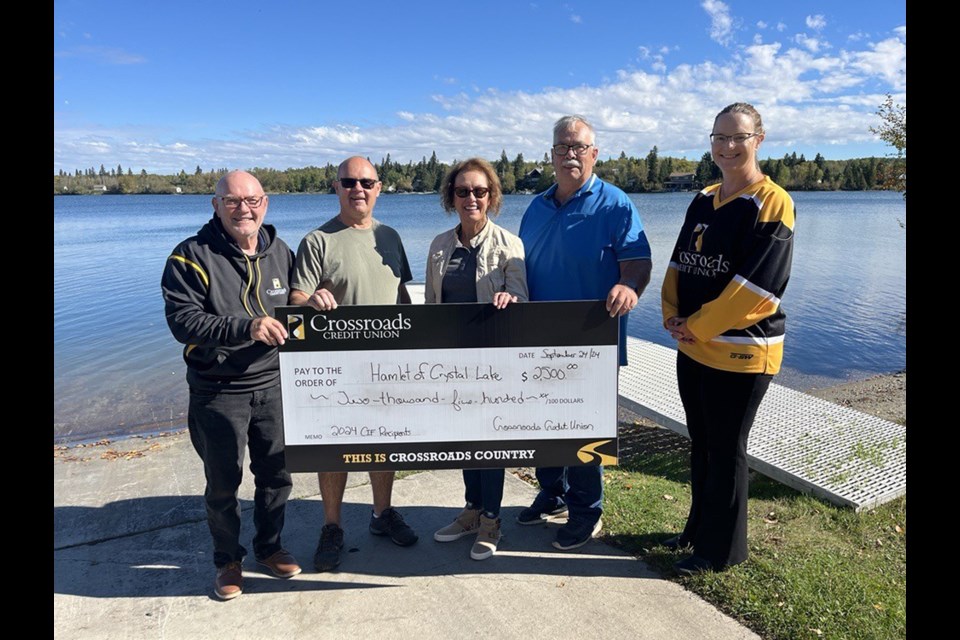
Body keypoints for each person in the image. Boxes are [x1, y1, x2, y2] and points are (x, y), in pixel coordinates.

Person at [661, 102, 795, 575]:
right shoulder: (703, 198)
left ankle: (723, 551)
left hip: (743, 352)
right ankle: (698, 530)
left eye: (737, 137)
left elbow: (758, 288)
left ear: (759, 139)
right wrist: (672, 314)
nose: (727, 146)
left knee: (726, 448)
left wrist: (696, 325)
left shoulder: (773, 201)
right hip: (693, 348)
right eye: (719, 137)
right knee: (700, 443)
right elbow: (680, 263)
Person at [161, 170, 301, 601]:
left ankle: (269, 547)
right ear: (216, 205)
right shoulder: (189, 256)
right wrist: (248, 326)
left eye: (253, 200)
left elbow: (294, 305)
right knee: (223, 482)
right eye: (233, 201)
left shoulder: (282, 251)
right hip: (217, 389)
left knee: (277, 475)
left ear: (266, 203)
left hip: (274, 384)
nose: (245, 209)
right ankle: (227, 560)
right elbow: (183, 321)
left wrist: (313, 304)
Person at [518, 115, 653, 550]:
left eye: (579, 147)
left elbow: (638, 260)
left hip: (592, 339)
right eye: (562, 147)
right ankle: (552, 494)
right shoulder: (536, 206)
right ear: (551, 154)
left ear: (594, 154)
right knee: (542, 425)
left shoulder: (615, 204)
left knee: (584, 428)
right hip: (538, 337)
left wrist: (628, 285)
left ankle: (586, 511)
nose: (570, 154)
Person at [289, 156, 418, 572]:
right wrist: (310, 302)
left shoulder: (392, 237)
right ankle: (332, 526)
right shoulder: (318, 241)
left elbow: (402, 298)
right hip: (336, 368)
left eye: (366, 182)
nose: (357, 189)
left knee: (384, 445)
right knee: (335, 450)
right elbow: (294, 301)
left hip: (387, 364)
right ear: (336, 187)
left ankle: (382, 514)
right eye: (349, 182)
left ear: (379, 188)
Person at [425, 158, 529, 560]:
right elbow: (433, 303)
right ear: (452, 196)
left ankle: (491, 519)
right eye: (463, 191)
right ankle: (471, 509)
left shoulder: (509, 244)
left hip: (494, 363)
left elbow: (522, 300)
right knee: (465, 440)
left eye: (480, 191)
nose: (472, 198)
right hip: (452, 362)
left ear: (492, 197)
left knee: (492, 442)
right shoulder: (438, 246)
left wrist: (511, 298)